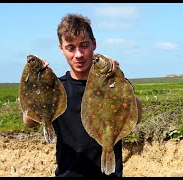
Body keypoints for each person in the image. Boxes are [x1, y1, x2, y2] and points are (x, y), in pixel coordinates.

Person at [23, 13, 142, 177]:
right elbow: (28, 122)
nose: (78, 54)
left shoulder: (115, 84)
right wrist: (37, 86)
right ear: (61, 49)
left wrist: (120, 82)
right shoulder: (57, 88)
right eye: (70, 48)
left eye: (84, 45)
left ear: (94, 44)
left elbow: (137, 116)